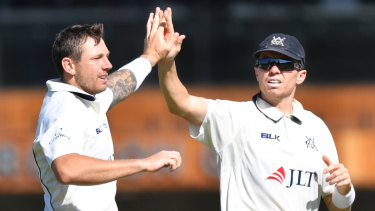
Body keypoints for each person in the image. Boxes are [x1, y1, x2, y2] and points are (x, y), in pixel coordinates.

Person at [157, 11, 355, 211]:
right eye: (265, 63)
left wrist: (345, 192)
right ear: (257, 73)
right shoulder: (234, 117)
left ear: (301, 76)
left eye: (285, 64)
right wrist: (167, 61)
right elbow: (180, 103)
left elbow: (337, 206)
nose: (274, 70)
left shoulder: (316, 128)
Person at [32, 7, 182, 211]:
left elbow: (119, 84)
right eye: (97, 58)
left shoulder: (88, 96)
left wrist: (152, 56)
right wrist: (144, 164)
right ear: (69, 66)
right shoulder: (62, 107)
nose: (108, 64)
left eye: (107, 56)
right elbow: (67, 169)